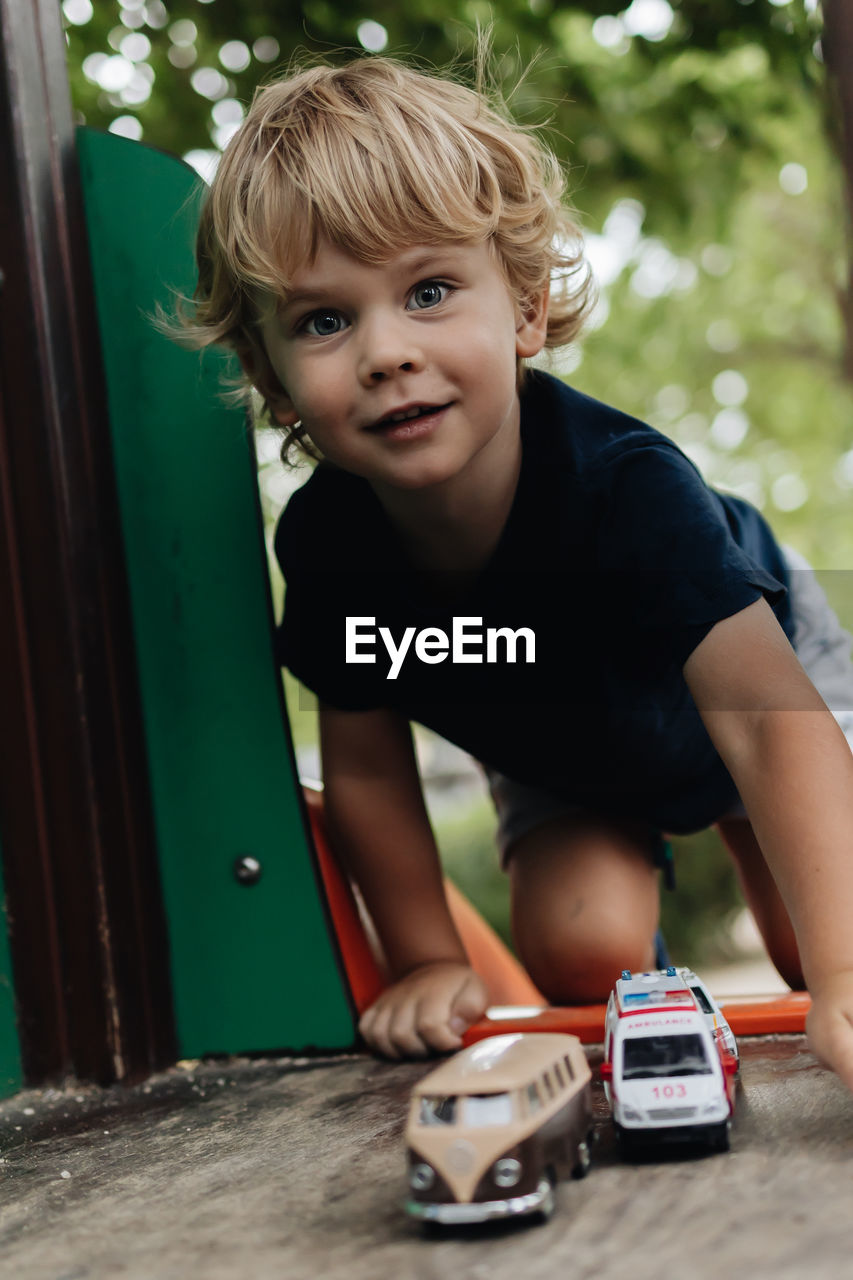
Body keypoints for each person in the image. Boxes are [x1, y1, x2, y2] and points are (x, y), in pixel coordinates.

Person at [179, 53, 853, 1090]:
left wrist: (843, 970)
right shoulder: (330, 548)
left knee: (821, 948)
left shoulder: (627, 491)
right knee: (582, 945)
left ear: (526, 308)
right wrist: (429, 958)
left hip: (753, 698)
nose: (385, 350)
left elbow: (768, 720)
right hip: (569, 744)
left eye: (430, 290)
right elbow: (364, 765)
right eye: (325, 320)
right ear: (273, 381)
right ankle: (665, 1032)